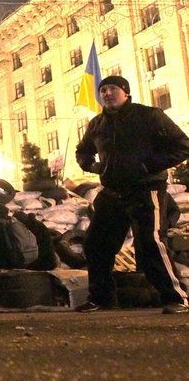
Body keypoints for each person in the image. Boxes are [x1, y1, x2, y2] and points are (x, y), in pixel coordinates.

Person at [75, 75, 189, 314]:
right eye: (103, 90)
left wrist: (149, 165)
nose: (107, 93)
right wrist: (93, 167)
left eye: (113, 88)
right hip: (113, 192)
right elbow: (82, 151)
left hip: (145, 189)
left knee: (150, 243)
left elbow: (183, 145)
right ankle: (102, 298)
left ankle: (176, 298)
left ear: (125, 92)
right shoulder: (97, 124)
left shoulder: (149, 116)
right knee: (96, 244)